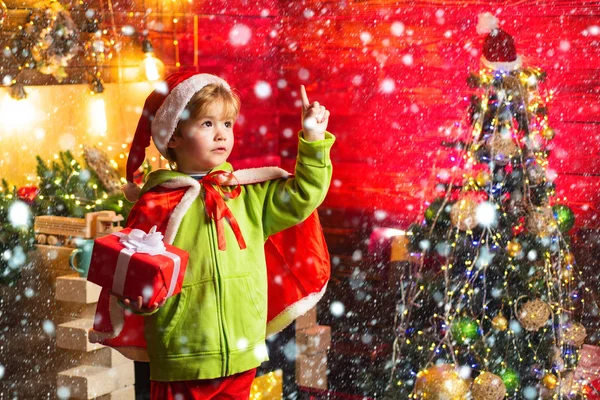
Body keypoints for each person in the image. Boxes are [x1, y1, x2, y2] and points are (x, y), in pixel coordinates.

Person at [89, 71, 335, 399]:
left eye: (227, 124)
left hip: (241, 350)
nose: (221, 135)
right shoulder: (156, 203)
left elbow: (305, 194)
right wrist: (141, 301)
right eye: (207, 124)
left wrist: (314, 141)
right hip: (182, 356)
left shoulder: (247, 194)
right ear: (173, 136)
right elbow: (141, 273)